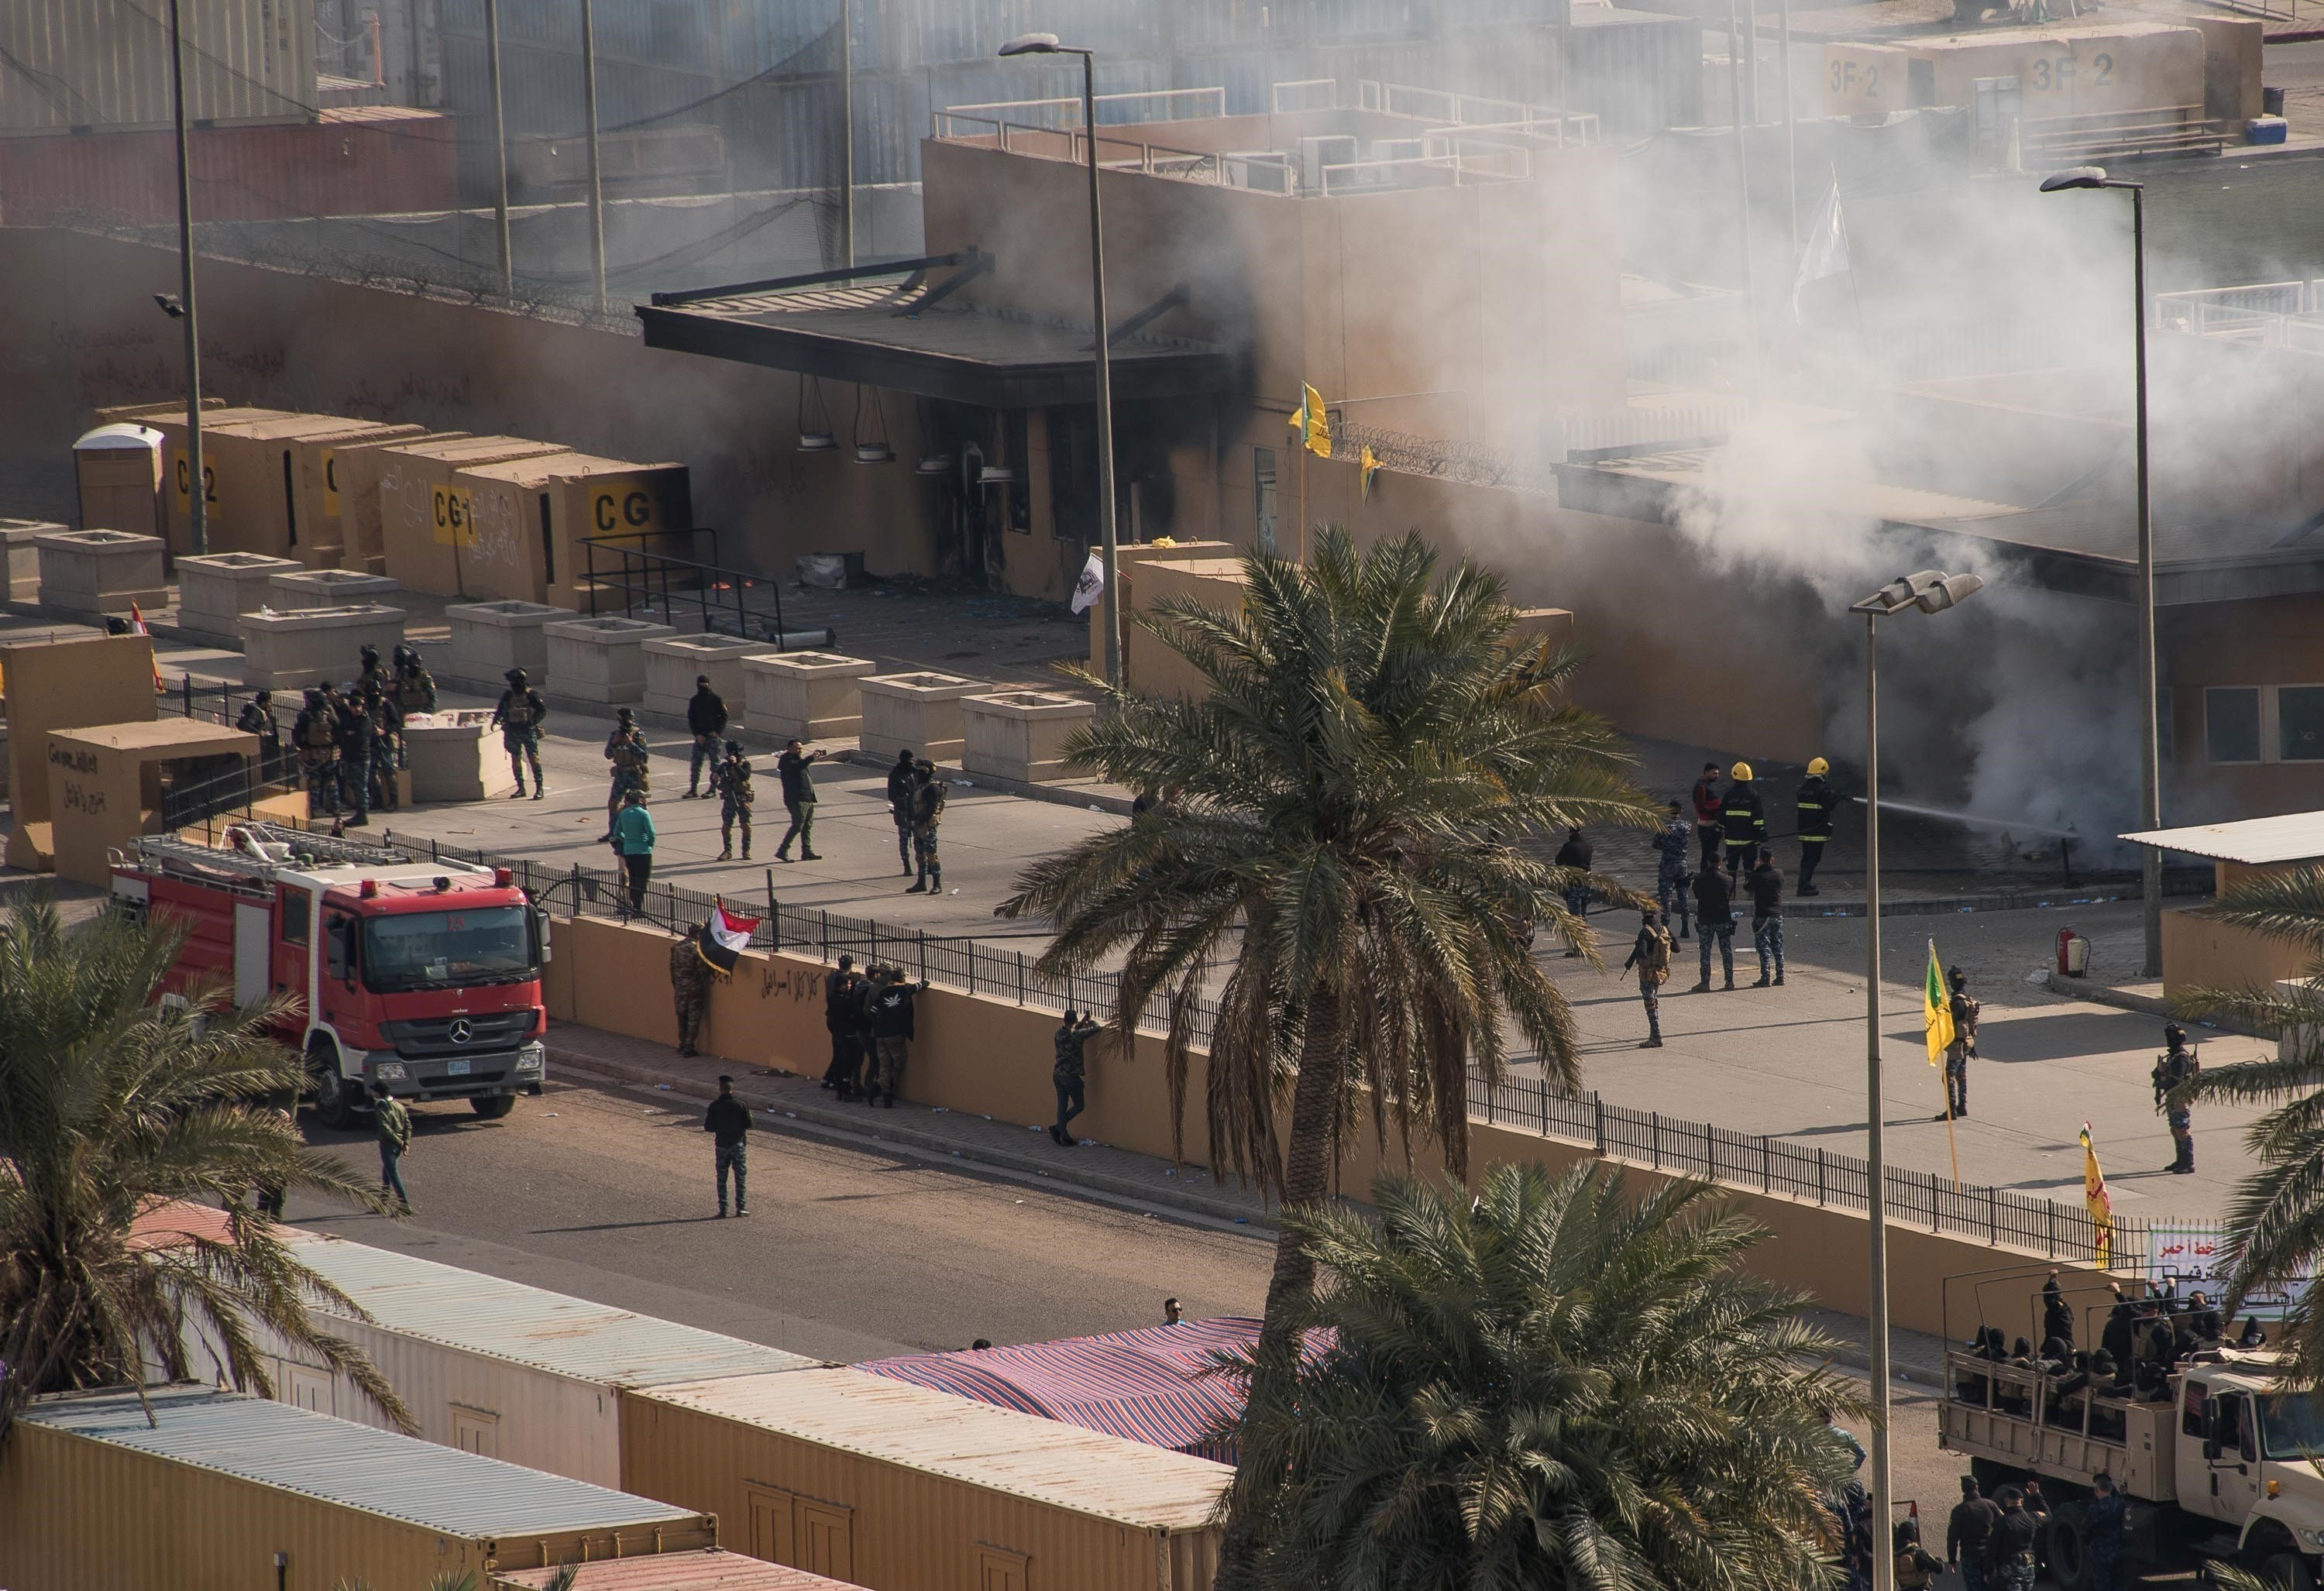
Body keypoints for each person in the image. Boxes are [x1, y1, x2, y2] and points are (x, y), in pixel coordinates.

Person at [868, 964, 927, 1107]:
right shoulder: (905, 990)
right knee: (899, 1062)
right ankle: (881, 1088)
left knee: (884, 1064)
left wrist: (880, 1024)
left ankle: (884, 1092)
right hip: (895, 1034)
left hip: (880, 1034)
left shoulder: (883, 992)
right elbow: (923, 984)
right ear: (903, 978)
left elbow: (873, 1011)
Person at [490, 667, 548, 799]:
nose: (513, 685)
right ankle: (521, 788)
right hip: (512, 730)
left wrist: (532, 721)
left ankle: (539, 788)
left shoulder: (531, 695)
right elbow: (501, 709)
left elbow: (542, 711)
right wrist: (496, 720)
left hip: (527, 730)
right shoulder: (509, 695)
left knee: (534, 759)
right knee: (515, 759)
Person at [1621, 908, 1673, 1049]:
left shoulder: (1645, 931)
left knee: (1649, 1004)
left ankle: (1655, 1036)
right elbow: (1677, 948)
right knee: (1654, 1001)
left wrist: (1640, 946)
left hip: (1648, 973)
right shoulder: (1664, 929)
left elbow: (1643, 953)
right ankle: (1655, 1035)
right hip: (1661, 972)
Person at [2154, 1022, 2199, 1174]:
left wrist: (2160, 1082)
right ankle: (2180, 1160)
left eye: (2170, 1037)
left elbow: (2175, 1081)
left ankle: (2188, 1163)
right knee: (2175, 1129)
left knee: (2182, 1130)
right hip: (2173, 1097)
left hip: (2181, 1097)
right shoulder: (2174, 1056)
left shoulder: (2181, 1058)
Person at [703, 1074, 750, 1218]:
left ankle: (723, 1208)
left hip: (722, 1145)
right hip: (738, 1145)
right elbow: (749, 1124)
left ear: (720, 1089)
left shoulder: (714, 1106)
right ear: (732, 1088)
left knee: (722, 1177)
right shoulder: (741, 1105)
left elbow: (708, 1127)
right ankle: (741, 1207)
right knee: (740, 1176)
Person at [1051, 1007, 1100, 1144]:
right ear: (1075, 1020)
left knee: (1062, 1106)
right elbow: (1096, 1029)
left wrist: (1083, 1021)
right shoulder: (1076, 1035)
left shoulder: (1058, 1033)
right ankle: (1058, 1129)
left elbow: (1072, 1031)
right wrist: (1091, 1022)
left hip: (1058, 1074)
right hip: (1071, 1077)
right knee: (1079, 1105)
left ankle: (1061, 1132)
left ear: (1064, 1020)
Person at [603, 709, 651, 840]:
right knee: (613, 803)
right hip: (621, 774)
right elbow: (608, 755)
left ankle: (642, 832)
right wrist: (614, 743)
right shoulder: (615, 735)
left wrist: (631, 744)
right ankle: (613, 832)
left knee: (640, 804)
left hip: (635, 774)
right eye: (626, 719)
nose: (628, 721)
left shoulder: (638, 735)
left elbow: (644, 755)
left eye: (630, 718)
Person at [775, 737, 826, 863]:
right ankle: (783, 850)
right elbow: (797, 768)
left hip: (807, 798)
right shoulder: (786, 761)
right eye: (797, 748)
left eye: (801, 748)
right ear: (790, 748)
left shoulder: (797, 760)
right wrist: (811, 758)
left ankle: (806, 851)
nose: (800, 750)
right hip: (796, 799)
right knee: (797, 825)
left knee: (807, 826)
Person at [1947, 1476, 2001, 1591]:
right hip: (1990, 1555)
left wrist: (1952, 1560)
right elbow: (2004, 1525)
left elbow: (1952, 1538)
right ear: (1977, 1487)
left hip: (1970, 1556)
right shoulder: (1990, 1505)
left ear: (1963, 1489)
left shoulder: (1959, 1510)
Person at [1937, 966, 1978, 1120]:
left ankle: (1951, 1110)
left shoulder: (1957, 1002)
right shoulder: (1968, 998)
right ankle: (1962, 1106)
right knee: (1961, 1075)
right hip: (1967, 1043)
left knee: (1948, 1076)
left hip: (1957, 1045)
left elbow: (1952, 1023)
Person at [1691, 857, 1737, 991]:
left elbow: (1697, 895)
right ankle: (1729, 981)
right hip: (1723, 918)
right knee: (1726, 951)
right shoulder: (1727, 880)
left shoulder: (1699, 879)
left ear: (1708, 862)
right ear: (1720, 864)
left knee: (1705, 951)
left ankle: (1705, 983)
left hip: (1706, 919)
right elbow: (1728, 894)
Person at [332, 682, 373, 827]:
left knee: (361, 786)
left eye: (360, 706)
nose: (358, 709)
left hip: (361, 758)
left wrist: (349, 735)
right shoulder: (347, 718)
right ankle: (358, 810)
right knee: (352, 783)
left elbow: (360, 738)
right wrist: (347, 734)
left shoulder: (365, 720)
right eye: (355, 706)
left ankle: (362, 814)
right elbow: (340, 733)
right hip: (349, 757)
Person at [822, 956, 864, 1099]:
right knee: (845, 1057)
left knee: (839, 1053)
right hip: (843, 1027)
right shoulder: (844, 994)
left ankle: (831, 1080)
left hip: (834, 1022)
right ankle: (841, 1085)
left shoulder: (832, 977)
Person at [610, 788, 656, 916]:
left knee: (634, 879)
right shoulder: (643, 813)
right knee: (643, 880)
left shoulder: (623, 814)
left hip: (629, 851)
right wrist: (649, 844)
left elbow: (617, 832)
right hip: (643, 851)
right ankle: (638, 908)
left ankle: (636, 907)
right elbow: (651, 833)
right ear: (639, 800)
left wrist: (627, 841)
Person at [1984, 1486, 2040, 1591]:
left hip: (2010, 1569)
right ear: (2022, 1501)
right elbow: (2048, 1514)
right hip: (2028, 1567)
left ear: (2006, 1501)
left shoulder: (2001, 1523)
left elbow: (1991, 1549)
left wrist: (1988, 1571)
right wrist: (2037, 1496)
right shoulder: (2032, 1518)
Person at [294, 687, 339, 816]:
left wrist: (301, 745)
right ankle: (335, 807)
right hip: (329, 753)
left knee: (314, 782)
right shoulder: (329, 715)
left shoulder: (306, 716)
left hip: (311, 753)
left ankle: (313, 809)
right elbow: (337, 730)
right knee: (331, 780)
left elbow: (297, 734)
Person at [1796, 757, 1837, 896]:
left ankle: (1804, 883)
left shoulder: (1803, 788)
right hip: (1817, 831)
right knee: (1813, 859)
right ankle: (1803, 887)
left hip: (1805, 831)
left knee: (1807, 857)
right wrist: (1837, 798)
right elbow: (1828, 805)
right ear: (1823, 772)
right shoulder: (1822, 789)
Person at [1652, 800, 1693, 940]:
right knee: (1683, 894)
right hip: (1682, 864)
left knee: (1666, 895)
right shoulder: (1687, 826)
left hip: (1667, 864)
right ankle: (1685, 926)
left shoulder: (1664, 827)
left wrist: (1667, 847)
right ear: (1681, 811)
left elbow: (1655, 844)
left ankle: (1666, 926)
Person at [670, 928, 713, 1058]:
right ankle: (689, 1047)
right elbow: (702, 970)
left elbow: (672, 968)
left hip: (680, 987)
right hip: (694, 987)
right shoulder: (697, 949)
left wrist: (677, 984)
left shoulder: (677, 947)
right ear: (698, 934)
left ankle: (682, 1043)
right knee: (693, 1018)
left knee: (681, 1015)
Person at [906, 758, 947, 895]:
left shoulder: (932, 788)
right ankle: (921, 882)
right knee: (920, 855)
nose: (916, 775)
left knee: (931, 855)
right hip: (918, 826)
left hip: (928, 827)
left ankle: (937, 884)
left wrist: (917, 821)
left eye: (918, 772)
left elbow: (930, 808)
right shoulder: (920, 787)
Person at [683, 675, 728, 799]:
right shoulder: (695, 700)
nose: (703, 687)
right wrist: (697, 734)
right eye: (701, 685)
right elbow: (691, 719)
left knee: (715, 765)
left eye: (705, 685)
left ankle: (713, 789)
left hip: (713, 737)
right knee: (695, 765)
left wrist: (718, 732)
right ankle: (693, 789)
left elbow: (724, 716)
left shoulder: (716, 699)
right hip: (700, 737)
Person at [1745, 854, 1786, 987]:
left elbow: (1748, 887)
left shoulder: (1757, 876)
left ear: (1760, 861)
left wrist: (1755, 870)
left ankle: (1765, 977)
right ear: (1772, 860)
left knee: (1763, 947)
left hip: (1763, 915)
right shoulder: (1779, 873)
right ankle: (1780, 976)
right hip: (1777, 914)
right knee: (1777, 945)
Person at [1721, 761, 1767, 877]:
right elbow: (1758, 818)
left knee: (1731, 868)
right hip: (1749, 840)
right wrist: (1761, 832)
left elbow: (1721, 816)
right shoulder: (1753, 795)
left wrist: (1717, 829)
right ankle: (1750, 891)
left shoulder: (1728, 795)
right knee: (1749, 868)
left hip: (1732, 840)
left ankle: (1730, 892)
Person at [373, 1079, 411, 1211]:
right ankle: (382, 1202)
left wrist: (399, 1142)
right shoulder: (400, 1106)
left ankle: (404, 1203)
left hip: (388, 1144)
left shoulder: (381, 1106)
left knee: (393, 1173)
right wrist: (405, 1142)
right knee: (387, 1172)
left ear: (379, 1093)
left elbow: (385, 1128)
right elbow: (408, 1125)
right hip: (398, 1146)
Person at [1553, 826, 1593, 956]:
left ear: (1570, 833)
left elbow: (1558, 861)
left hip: (1573, 885)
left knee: (1575, 918)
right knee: (1583, 916)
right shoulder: (1588, 845)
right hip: (1586, 884)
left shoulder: (1568, 847)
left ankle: (1578, 948)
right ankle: (1585, 946)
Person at [713, 740, 754, 861]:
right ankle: (727, 850)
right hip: (729, 799)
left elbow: (744, 776)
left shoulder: (745, 765)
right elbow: (715, 777)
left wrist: (735, 764)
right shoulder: (725, 766)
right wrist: (714, 777)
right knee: (726, 826)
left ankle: (746, 850)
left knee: (746, 825)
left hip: (742, 798)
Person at [362, 685, 401, 813]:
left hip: (385, 743)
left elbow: (396, 723)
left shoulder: (386, 705)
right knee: (371, 773)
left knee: (389, 772)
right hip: (370, 744)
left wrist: (384, 731)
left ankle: (394, 801)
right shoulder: (365, 706)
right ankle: (377, 799)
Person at [2085, 1473, 2127, 1591]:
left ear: (2096, 1489)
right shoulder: (2120, 1504)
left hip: (2100, 1554)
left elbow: (2086, 1531)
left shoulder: (2095, 1509)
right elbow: (2116, 1496)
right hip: (2118, 1551)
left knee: (2102, 1585)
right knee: (2119, 1584)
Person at [236, 689, 282, 781]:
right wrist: (259, 732)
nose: (271, 704)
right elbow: (247, 725)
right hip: (262, 746)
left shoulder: (265, 712)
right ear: (263, 703)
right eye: (269, 702)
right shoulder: (256, 712)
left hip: (269, 745)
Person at [390, 644, 436, 735]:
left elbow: (432, 695)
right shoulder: (403, 675)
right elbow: (397, 691)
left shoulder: (424, 677)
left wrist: (428, 711)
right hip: (405, 711)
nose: (415, 666)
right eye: (413, 664)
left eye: (417, 663)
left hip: (421, 711)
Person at [885, 748, 919, 875]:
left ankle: (923, 864)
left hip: (916, 812)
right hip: (903, 812)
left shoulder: (915, 773)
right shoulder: (895, 774)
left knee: (919, 839)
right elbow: (891, 795)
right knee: (904, 840)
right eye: (909, 760)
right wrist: (902, 801)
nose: (911, 763)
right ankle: (906, 865)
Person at [1690, 761, 1724, 871]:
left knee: (1709, 854)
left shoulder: (1704, 786)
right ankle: (1707, 876)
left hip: (1710, 826)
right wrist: (1719, 808)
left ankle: (1707, 877)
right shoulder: (1701, 787)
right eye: (1714, 773)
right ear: (1706, 772)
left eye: (1718, 774)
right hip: (1708, 828)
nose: (1717, 776)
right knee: (1708, 855)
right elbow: (1701, 807)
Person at [1896, 1517, 1942, 1591]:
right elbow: (1939, 1568)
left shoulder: (1891, 1555)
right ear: (1911, 1534)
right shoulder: (1918, 1554)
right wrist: (1938, 1560)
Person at [2043, 1270, 2075, 1349]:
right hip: (2056, 1347)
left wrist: (2052, 1280)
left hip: (2063, 1348)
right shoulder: (2063, 1309)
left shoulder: (2059, 1310)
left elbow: (2053, 1300)